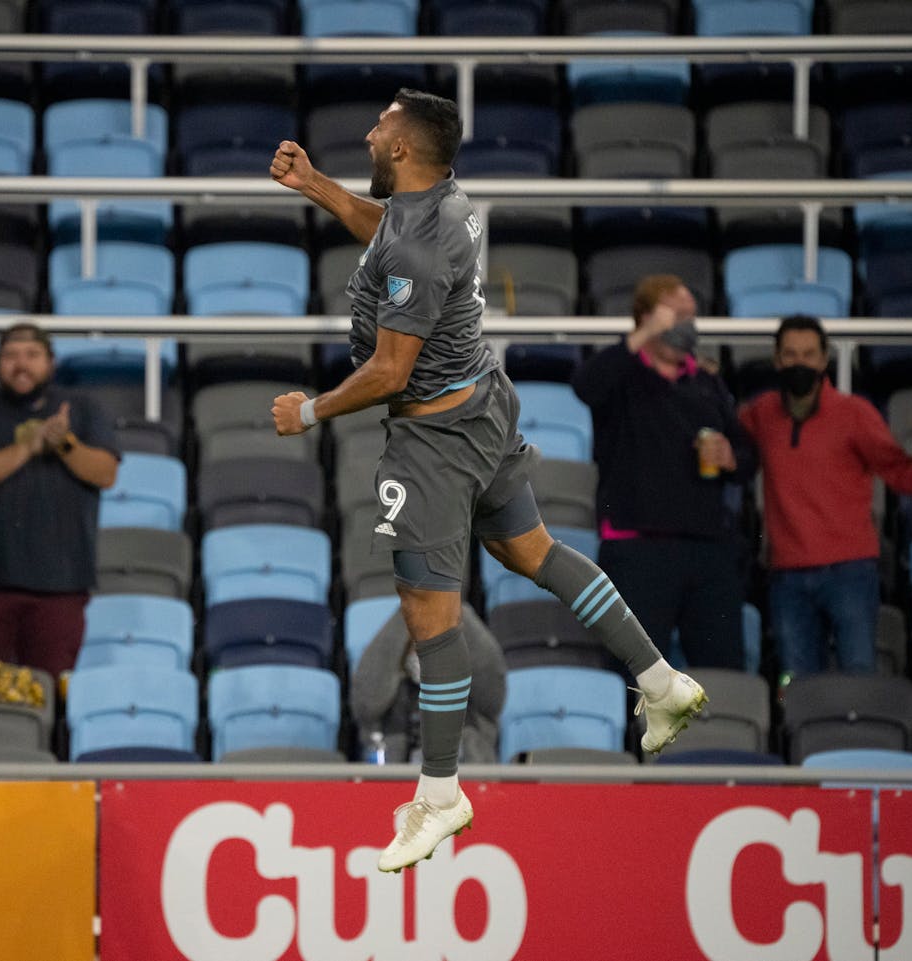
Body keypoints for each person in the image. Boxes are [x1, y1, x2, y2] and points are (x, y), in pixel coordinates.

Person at [269, 89, 705, 874]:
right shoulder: (448, 201)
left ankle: (439, 795)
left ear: (402, 150)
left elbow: (389, 368)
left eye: (379, 128)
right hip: (482, 405)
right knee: (533, 550)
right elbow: (389, 236)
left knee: (427, 614)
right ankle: (658, 676)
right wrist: (320, 189)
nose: (368, 133)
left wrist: (310, 411)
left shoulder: (418, 240)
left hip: (435, 438)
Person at [739, 315, 912, 684]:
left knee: (860, 680)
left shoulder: (854, 414)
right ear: (777, 361)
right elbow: (723, 432)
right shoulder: (762, 413)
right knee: (797, 688)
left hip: (850, 572)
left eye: (809, 354)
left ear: (824, 359)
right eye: (791, 354)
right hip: (787, 577)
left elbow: (899, 471)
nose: (800, 363)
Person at [572, 274, 756, 671]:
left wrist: (730, 457)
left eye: (691, 316)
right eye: (677, 316)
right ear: (647, 319)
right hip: (638, 550)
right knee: (634, 671)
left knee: (723, 667)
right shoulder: (622, 376)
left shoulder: (706, 382)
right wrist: (643, 335)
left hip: (708, 549)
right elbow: (586, 385)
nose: (687, 325)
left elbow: (747, 454)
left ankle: (717, 736)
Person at [0, 323, 119, 680]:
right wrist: (28, 447)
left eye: (31, 355)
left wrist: (64, 443)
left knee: (49, 702)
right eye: (10, 356)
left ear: (51, 363)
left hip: (59, 589)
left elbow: (105, 473)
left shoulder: (82, 409)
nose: (20, 364)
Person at [350, 603, 504, 765]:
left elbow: (493, 688)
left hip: (466, 782)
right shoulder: (391, 697)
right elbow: (365, 704)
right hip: (400, 784)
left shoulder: (473, 698)